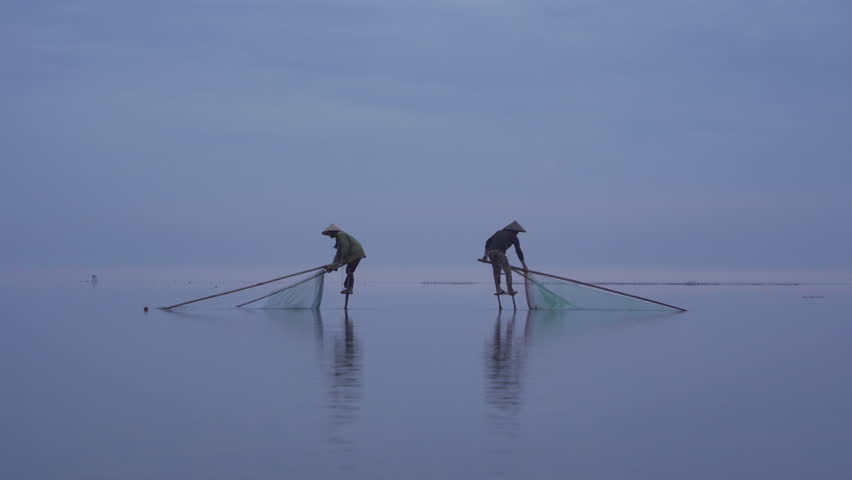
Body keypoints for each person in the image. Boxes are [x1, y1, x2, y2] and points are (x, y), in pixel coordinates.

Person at [480, 221, 528, 296]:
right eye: (517, 232)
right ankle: (510, 290)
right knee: (507, 271)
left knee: (496, 271)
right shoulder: (513, 236)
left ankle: (498, 289)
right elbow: (518, 251)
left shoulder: (498, 232)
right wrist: (524, 265)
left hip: (490, 253)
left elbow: (487, 242)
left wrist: (485, 255)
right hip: (499, 254)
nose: (517, 233)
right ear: (514, 231)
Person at [321, 224, 367, 295]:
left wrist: (343, 259)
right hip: (354, 254)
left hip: (355, 253)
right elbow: (338, 253)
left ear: (333, 232)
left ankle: (349, 289)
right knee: (349, 270)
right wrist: (333, 266)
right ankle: (348, 288)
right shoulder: (338, 238)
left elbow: (345, 248)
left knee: (349, 271)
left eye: (329, 233)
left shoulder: (340, 235)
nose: (329, 235)